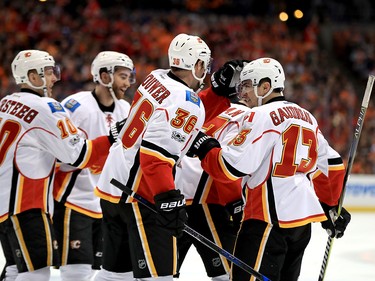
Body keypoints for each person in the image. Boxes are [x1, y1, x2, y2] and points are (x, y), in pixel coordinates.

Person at [93, 34, 245, 281]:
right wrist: (168, 199)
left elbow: (179, 107)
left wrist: (217, 93)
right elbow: (155, 159)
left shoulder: (156, 77)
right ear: (196, 65)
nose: (206, 71)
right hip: (141, 195)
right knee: (159, 277)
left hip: (112, 187)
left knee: (114, 276)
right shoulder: (186, 101)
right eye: (204, 65)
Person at [187, 57, 352, 281]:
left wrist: (205, 146)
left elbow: (230, 167)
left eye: (246, 86)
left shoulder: (259, 116)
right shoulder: (307, 117)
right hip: (301, 226)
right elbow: (331, 165)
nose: (242, 94)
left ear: (265, 86)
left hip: (266, 222)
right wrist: (331, 207)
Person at [0, 50, 121, 281]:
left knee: (14, 269)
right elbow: (79, 155)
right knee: (37, 273)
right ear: (33, 77)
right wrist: (113, 135)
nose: (55, 78)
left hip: (4, 203)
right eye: (49, 72)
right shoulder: (46, 107)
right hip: (27, 204)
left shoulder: (7, 101)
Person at [53, 51, 135, 281]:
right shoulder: (74, 106)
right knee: (77, 272)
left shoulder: (126, 110)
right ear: (104, 75)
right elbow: (59, 153)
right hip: (73, 200)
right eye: (122, 76)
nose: (127, 83)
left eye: (129, 77)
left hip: (105, 204)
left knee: (101, 271)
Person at [174, 97, 250, 281]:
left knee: (161, 274)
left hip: (172, 198)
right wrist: (236, 203)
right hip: (209, 201)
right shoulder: (246, 116)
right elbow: (227, 164)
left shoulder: (199, 105)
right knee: (228, 274)